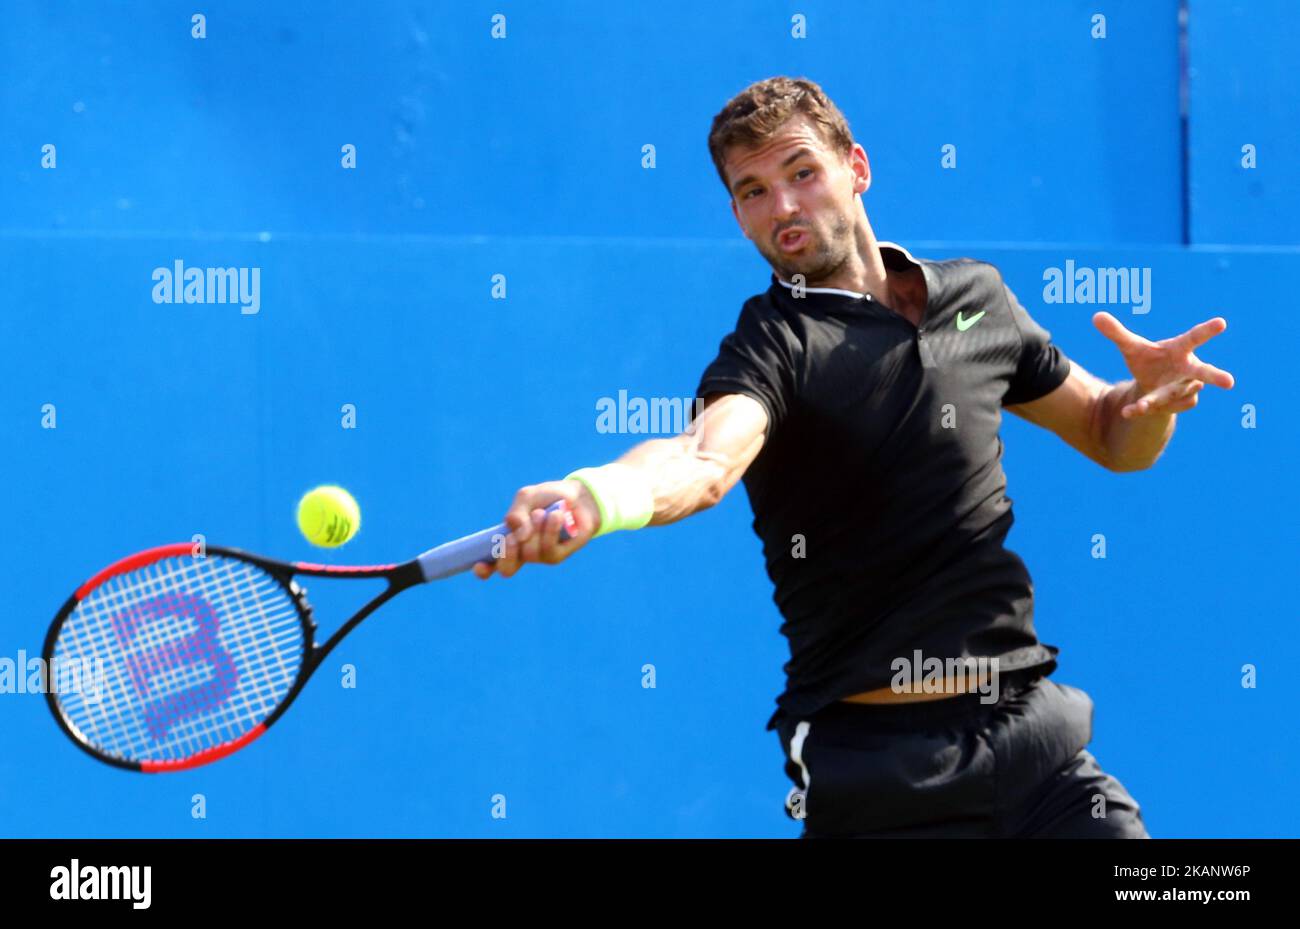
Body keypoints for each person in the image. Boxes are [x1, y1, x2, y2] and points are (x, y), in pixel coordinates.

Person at [472, 76, 1235, 838]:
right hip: (881, 783)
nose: (784, 208)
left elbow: (1110, 431)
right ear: (738, 216)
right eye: (753, 191)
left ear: (856, 168)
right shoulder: (772, 346)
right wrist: (594, 496)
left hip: (1037, 746)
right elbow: (700, 460)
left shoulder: (978, 299)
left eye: (801, 172)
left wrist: (1151, 404)